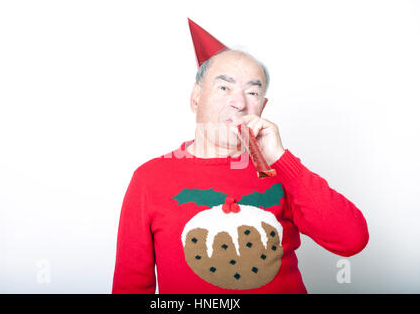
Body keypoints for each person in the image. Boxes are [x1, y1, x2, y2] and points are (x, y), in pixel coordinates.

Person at [111, 19, 369, 294]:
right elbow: (131, 284)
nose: (239, 102)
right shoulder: (149, 179)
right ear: (196, 98)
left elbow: (351, 240)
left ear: (262, 107)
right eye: (224, 87)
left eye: (253, 92)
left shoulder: (282, 170)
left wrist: (280, 159)